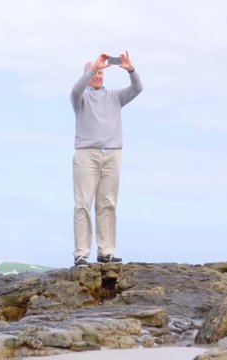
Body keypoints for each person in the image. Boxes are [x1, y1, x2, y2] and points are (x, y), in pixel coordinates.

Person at [70, 51, 143, 267]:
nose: (98, 76)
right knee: (83, 203)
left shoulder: (115, 97)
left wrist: (130, 69)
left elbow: (137, 88)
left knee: (108, 204)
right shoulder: (80, 98)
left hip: (112, 153)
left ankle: (106, 252)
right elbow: (75, 89)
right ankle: (81, 254)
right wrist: (93, 66)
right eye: (95, 72)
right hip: (87, 153)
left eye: (101, 73)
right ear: (88, 74)